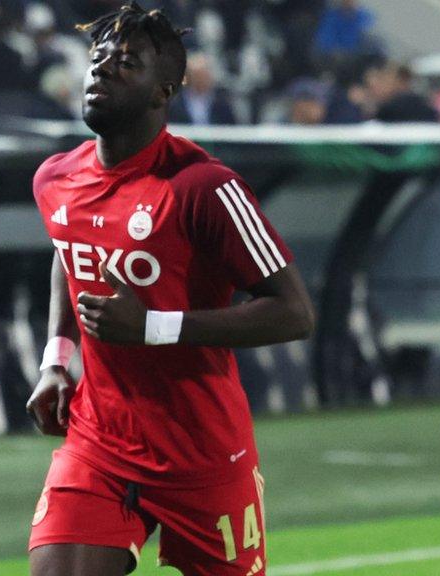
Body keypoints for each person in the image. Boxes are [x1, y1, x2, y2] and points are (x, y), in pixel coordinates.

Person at [26, 3, 315, 576]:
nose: (101, 70)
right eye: (98, 58)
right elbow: (68, 251)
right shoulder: (56, 178)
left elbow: (295, 312)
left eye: (125, 62)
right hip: (99, 443)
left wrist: (155, 328)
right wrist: (57, 360)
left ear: (164, 91)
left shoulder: (204, 188)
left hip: (202, 454)